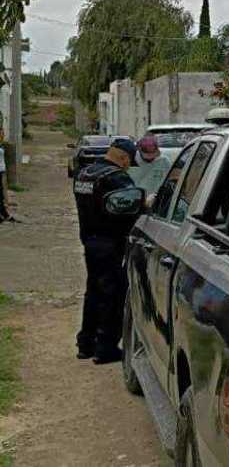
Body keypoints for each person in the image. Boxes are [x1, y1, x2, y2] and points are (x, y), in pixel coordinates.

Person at [73, 137, 141, 364]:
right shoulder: (116, 177)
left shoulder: (85, 173)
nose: (129, 166)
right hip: (112, 244)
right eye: (129, 161)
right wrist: (146, 203)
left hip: (90, 242)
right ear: (123, 157)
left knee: (93, 292)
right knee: (113, 295)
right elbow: (130, 207)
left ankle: (86, 344)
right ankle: (106, 348)